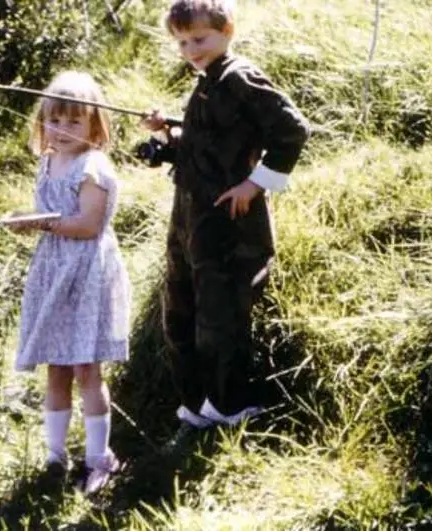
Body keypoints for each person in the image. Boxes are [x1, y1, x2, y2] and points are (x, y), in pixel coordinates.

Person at [141, 0, 310, 445]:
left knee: (221, 316)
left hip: (229, 226)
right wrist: (166, 136)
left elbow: (292, 130)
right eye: (181, 42)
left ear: (227, 30)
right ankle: (197, 406)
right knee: (180, 310)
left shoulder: (240, 77)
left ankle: (231, 405)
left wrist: (254, 186)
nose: (191, 49)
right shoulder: (205, 83)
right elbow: (204, 149)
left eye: (199, 39)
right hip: (189, 220)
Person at [11, 71, 130, 494]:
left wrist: (39, 223)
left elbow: (87, 224)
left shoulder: (92, 166)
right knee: (56, 367)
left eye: (74, 122)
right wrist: (30, 223)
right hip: (54, 270)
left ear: (95, 125)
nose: (62, 131)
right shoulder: (48, 160)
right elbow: (51, 214)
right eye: (54, 121)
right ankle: (54, 457)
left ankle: (100, 458)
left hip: (86, 273)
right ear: (42, 122)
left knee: (85, 368)